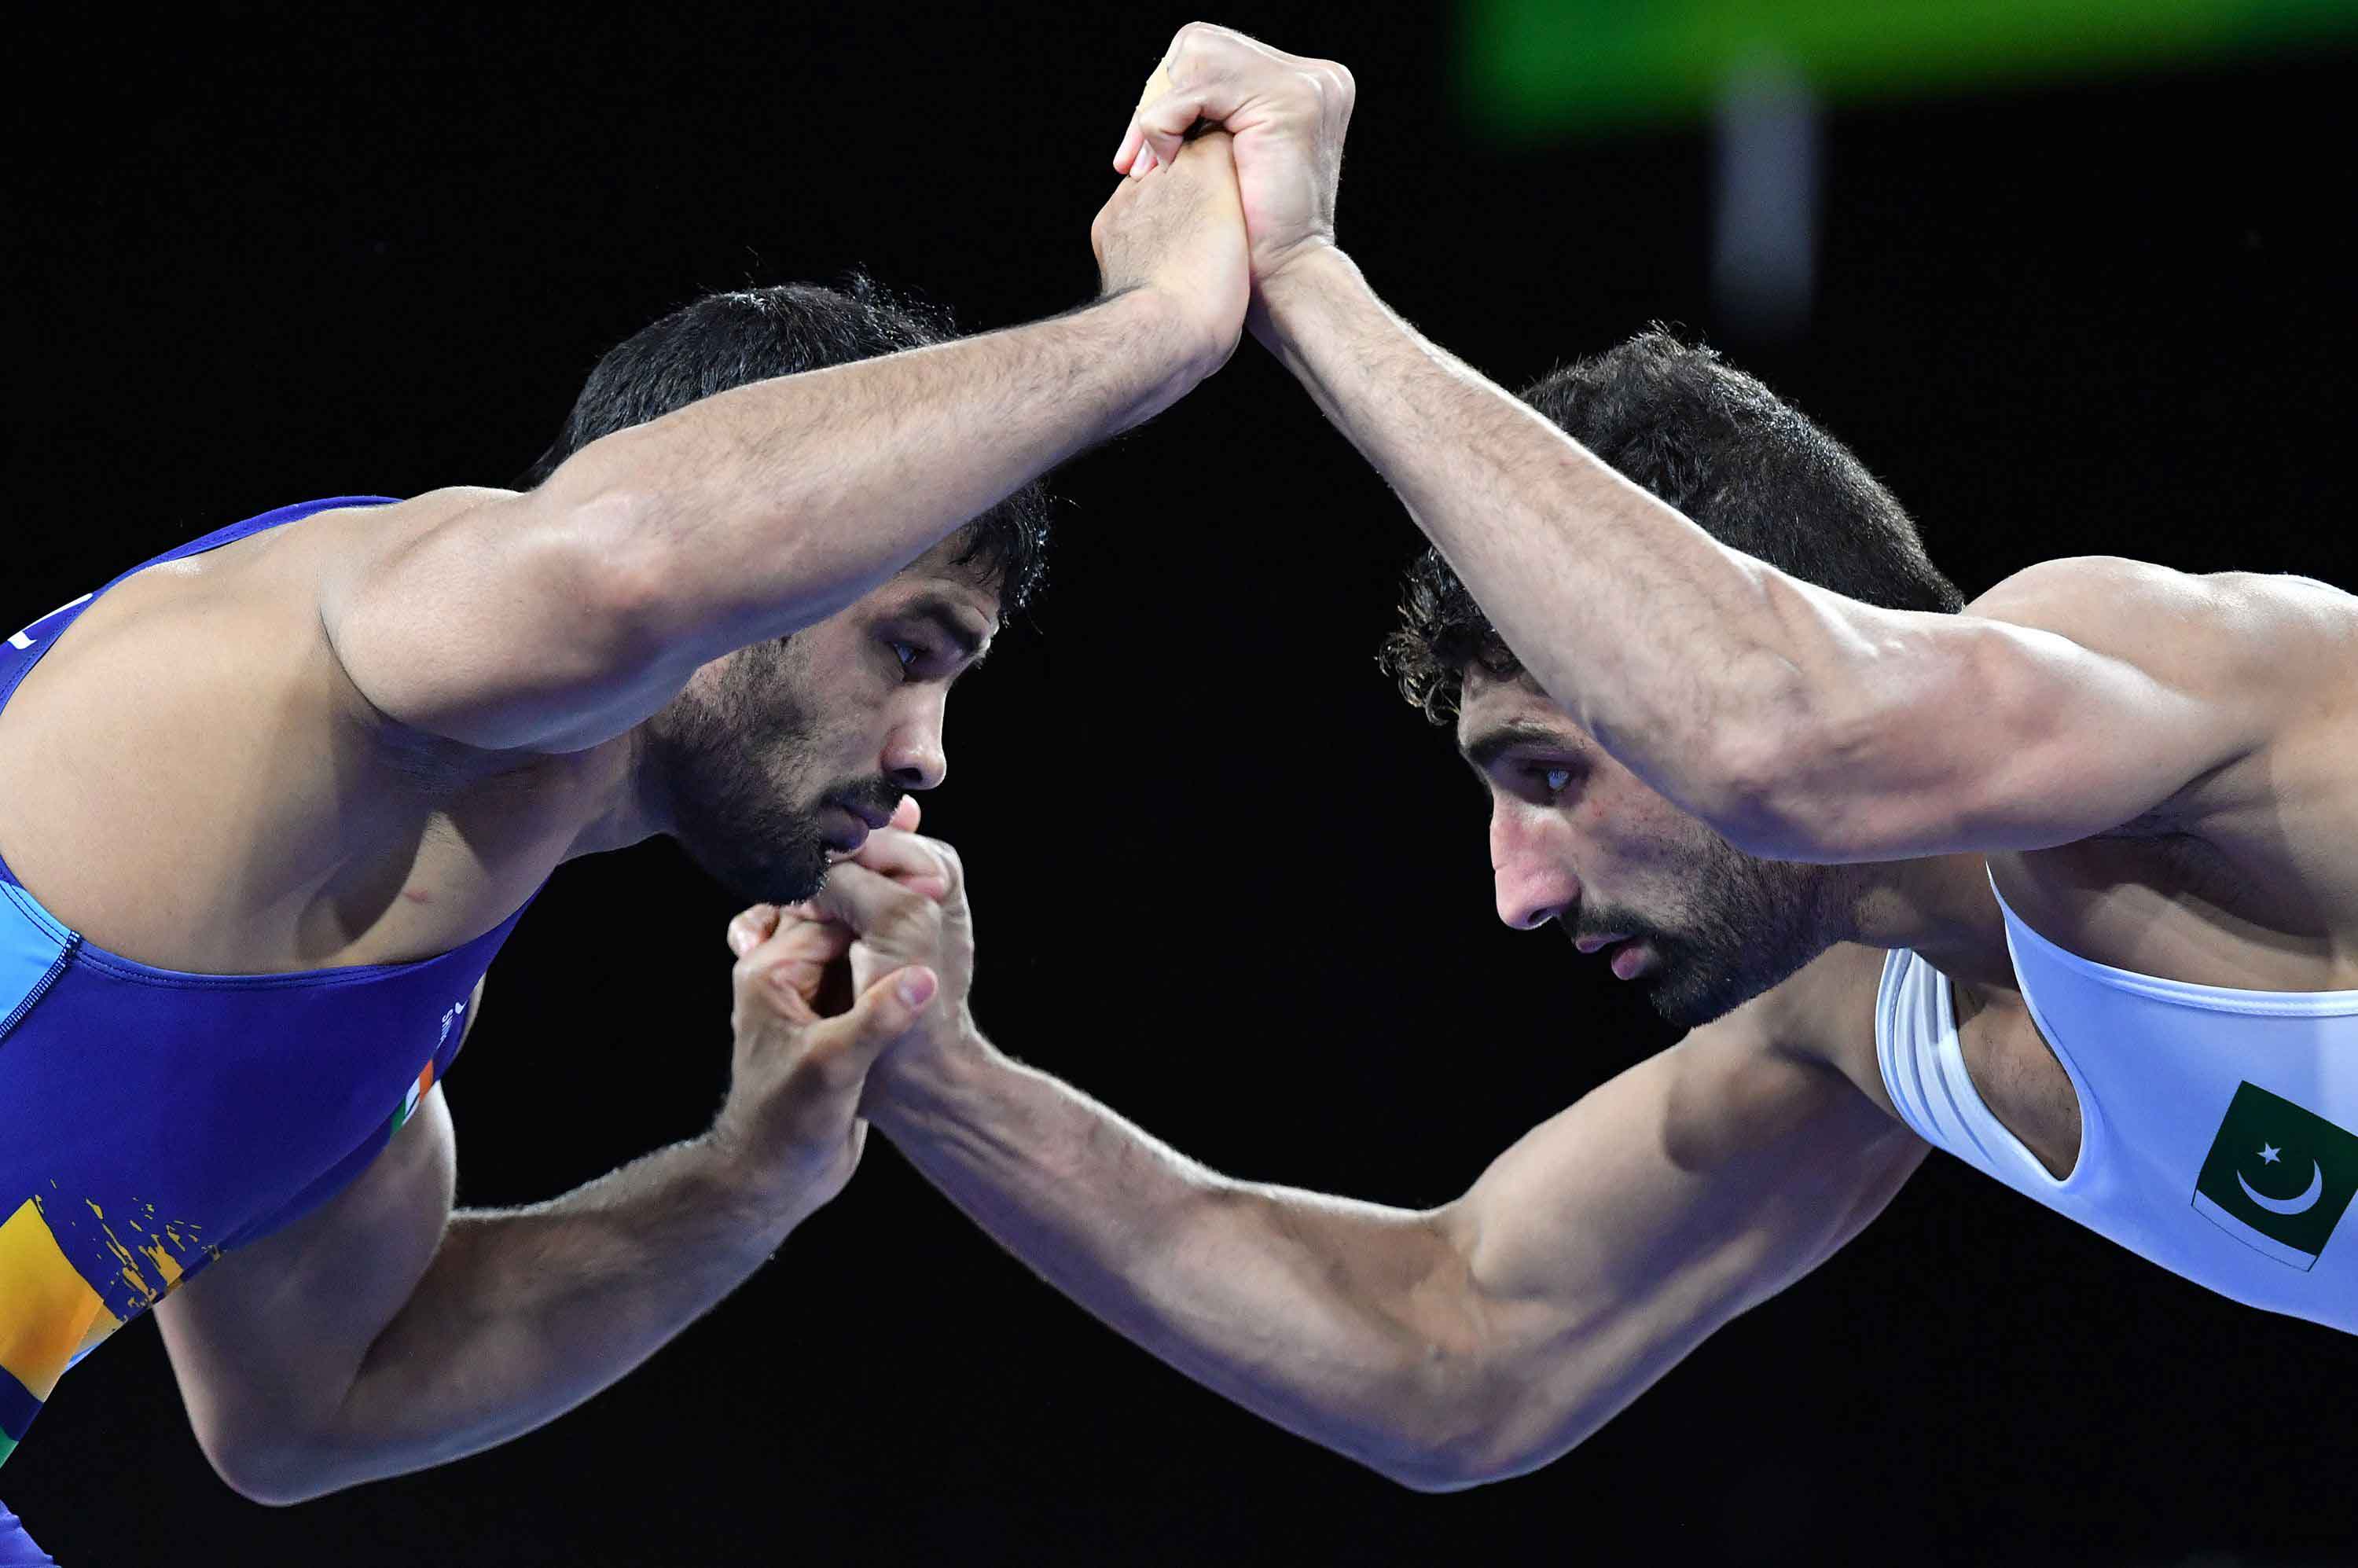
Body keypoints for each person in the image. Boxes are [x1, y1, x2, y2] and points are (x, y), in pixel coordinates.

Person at [775, 22, 2358, 1493]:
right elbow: (1458, 1351)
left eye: (1547, 773)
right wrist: (934, 1070)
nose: (1516, 894)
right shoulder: (1869, 1015)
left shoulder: (2179, 680)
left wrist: (1301, 281)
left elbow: (1774, 731)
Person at [0, 134, 1248, 1559]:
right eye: (908, 645)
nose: (927, 751)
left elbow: (317, 1407)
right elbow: (624, 559)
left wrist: (750, 1176)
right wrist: (1160, 326)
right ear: (771, 545)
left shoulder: (383, 958)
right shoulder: (353, 641)